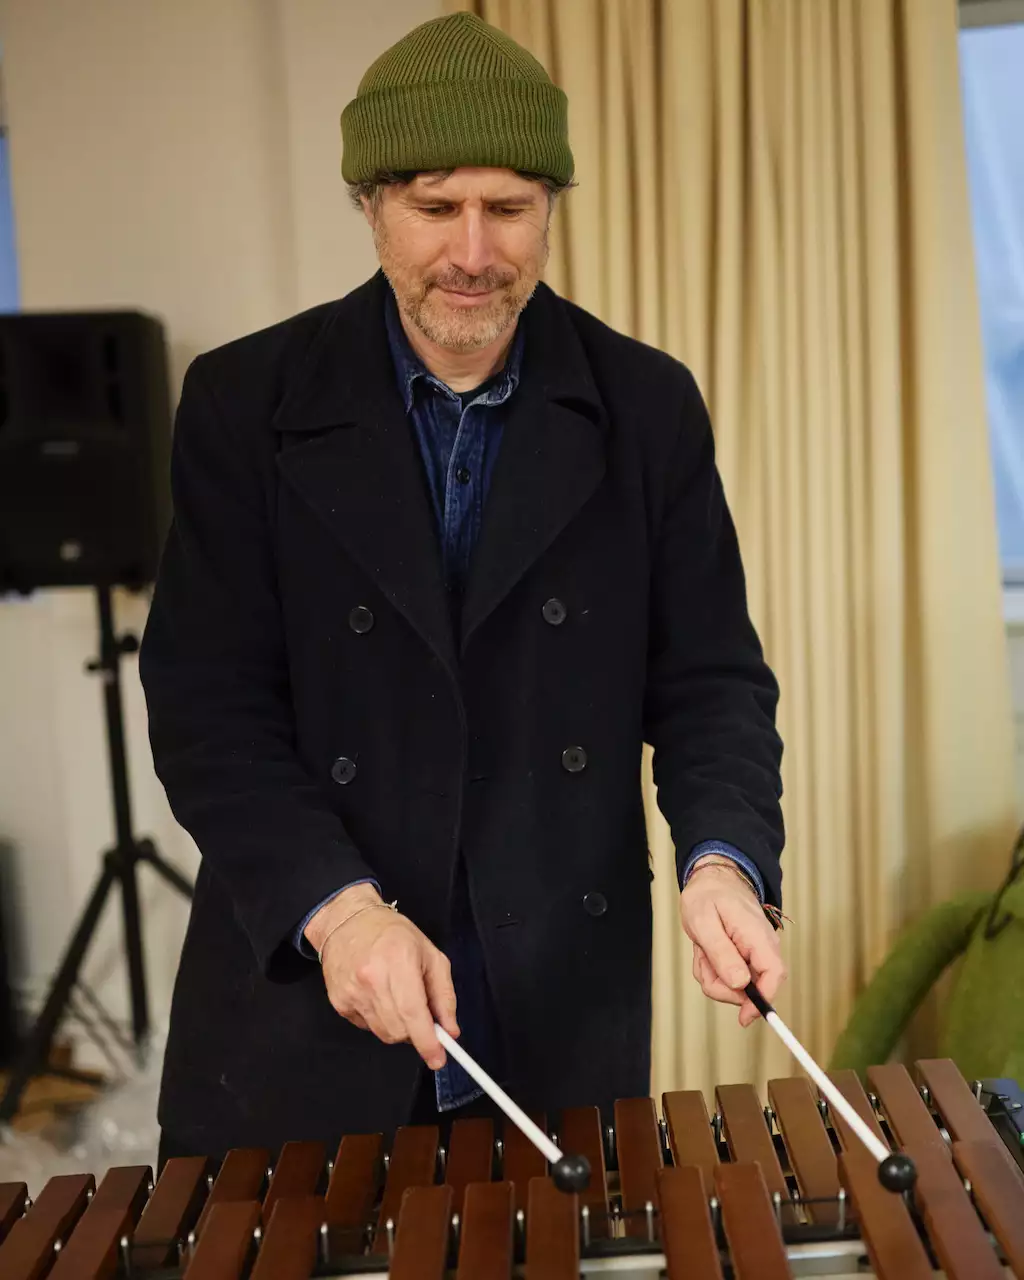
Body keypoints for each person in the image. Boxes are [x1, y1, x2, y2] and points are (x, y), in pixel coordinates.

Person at [140, 11, 786, 1163]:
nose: (475, 252)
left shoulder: (646, 407)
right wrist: (338, 907)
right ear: (372, 205)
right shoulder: (243, 404)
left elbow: (710, 682)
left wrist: (722, 859)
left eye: (512, 207)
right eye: (436, 207)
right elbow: (206, 707)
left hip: (553, 1000)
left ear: (552, 207)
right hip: (309, 989)